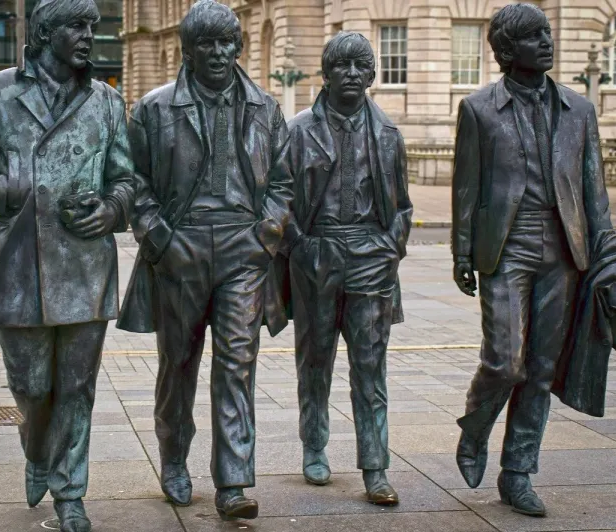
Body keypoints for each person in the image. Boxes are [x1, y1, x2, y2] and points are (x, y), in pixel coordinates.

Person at [0, 0, 135, 529]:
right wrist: (5, 190)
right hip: (20, 265)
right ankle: (37, 453)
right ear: (47, 33)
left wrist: (111, 208)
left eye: (93, 26)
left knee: (78, 387)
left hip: (85, 264)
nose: (89, 36)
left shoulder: (106, 102)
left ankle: (70, 493)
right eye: (78, 26)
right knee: (30, 387)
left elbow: (127, 178)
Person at [116, 0, 293, 521]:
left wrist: (266, 235)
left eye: (226, 43)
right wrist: (160, 240)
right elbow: (135, 184)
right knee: (179, 364)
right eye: (206, 44)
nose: (218, 53)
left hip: (244, 249)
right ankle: (173, 458)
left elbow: (283, 182)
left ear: (238, 46)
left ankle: (233, 481)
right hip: (181, 247)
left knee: (238, 363)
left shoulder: (265, 107)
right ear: (186, 50)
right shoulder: (153, 108)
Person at [451, 3, 616, 517]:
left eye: (546, 34)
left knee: (541, 369)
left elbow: (595, 195)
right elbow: (467, 187)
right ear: (505, 51)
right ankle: (475, 428)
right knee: (505, 360)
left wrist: (609, 255)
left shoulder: (579, 111)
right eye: (532, 36)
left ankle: (518, 473)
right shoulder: (478, 110)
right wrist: (461, 250)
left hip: (564, 249)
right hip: (505, 246)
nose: (546, 42)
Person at [280, 31, 412, 505]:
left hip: (370, 258)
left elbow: (403, 209)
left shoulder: (389, 134)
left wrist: (387, 248)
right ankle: (314, 446)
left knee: (370, 368)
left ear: (372, 75)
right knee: (314, 362)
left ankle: (375, 466)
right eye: (342, 66)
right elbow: (278, 200)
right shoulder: (297, 131)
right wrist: (301, 245)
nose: (352, 74)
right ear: (326, 73)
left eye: (361, 66)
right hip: (317, 255)